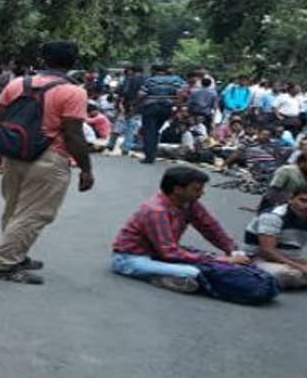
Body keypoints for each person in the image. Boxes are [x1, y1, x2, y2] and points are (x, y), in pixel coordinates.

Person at [0, 41, 94, 285]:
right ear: (73, 62)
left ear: (43, 59)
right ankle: (4, 264)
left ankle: (16, 254)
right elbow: (73, 134)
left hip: (13, 152)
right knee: (34, 214)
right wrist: (86, 168)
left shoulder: (17, 84)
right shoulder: (73, 92)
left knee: (14, 209)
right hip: (49, 156)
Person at [110, 166, 249, 293]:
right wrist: (219, 259)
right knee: (192, 272)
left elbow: (209, 227)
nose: (201, 194)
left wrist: (233, 250)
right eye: (196, 190)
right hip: (130, 258)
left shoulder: (189, 204)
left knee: (207, 263)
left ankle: (168, 273)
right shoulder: (156, 210)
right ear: (177, 189)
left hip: (157, 254)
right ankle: (160, 277)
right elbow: (169, 252)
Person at [243, 186, 307, 290]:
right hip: (258, 259)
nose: (305, 206)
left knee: (296, 272)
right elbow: (267, 251)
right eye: (303, 201)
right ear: (291, 199)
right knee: (288, 274)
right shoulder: (274, 216)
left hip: (289, 259)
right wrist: (299, 266)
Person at [139, 64, 187, 164]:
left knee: (149, 131)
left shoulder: (150, 80)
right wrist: (178, 107)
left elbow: (142, 94)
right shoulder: (176, 80)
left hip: (150, 107)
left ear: (155, 71)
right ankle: (153, 153)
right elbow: (181, 93)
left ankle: (149, 156)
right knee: (156, 130)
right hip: (167, 108)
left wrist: (137, 104)